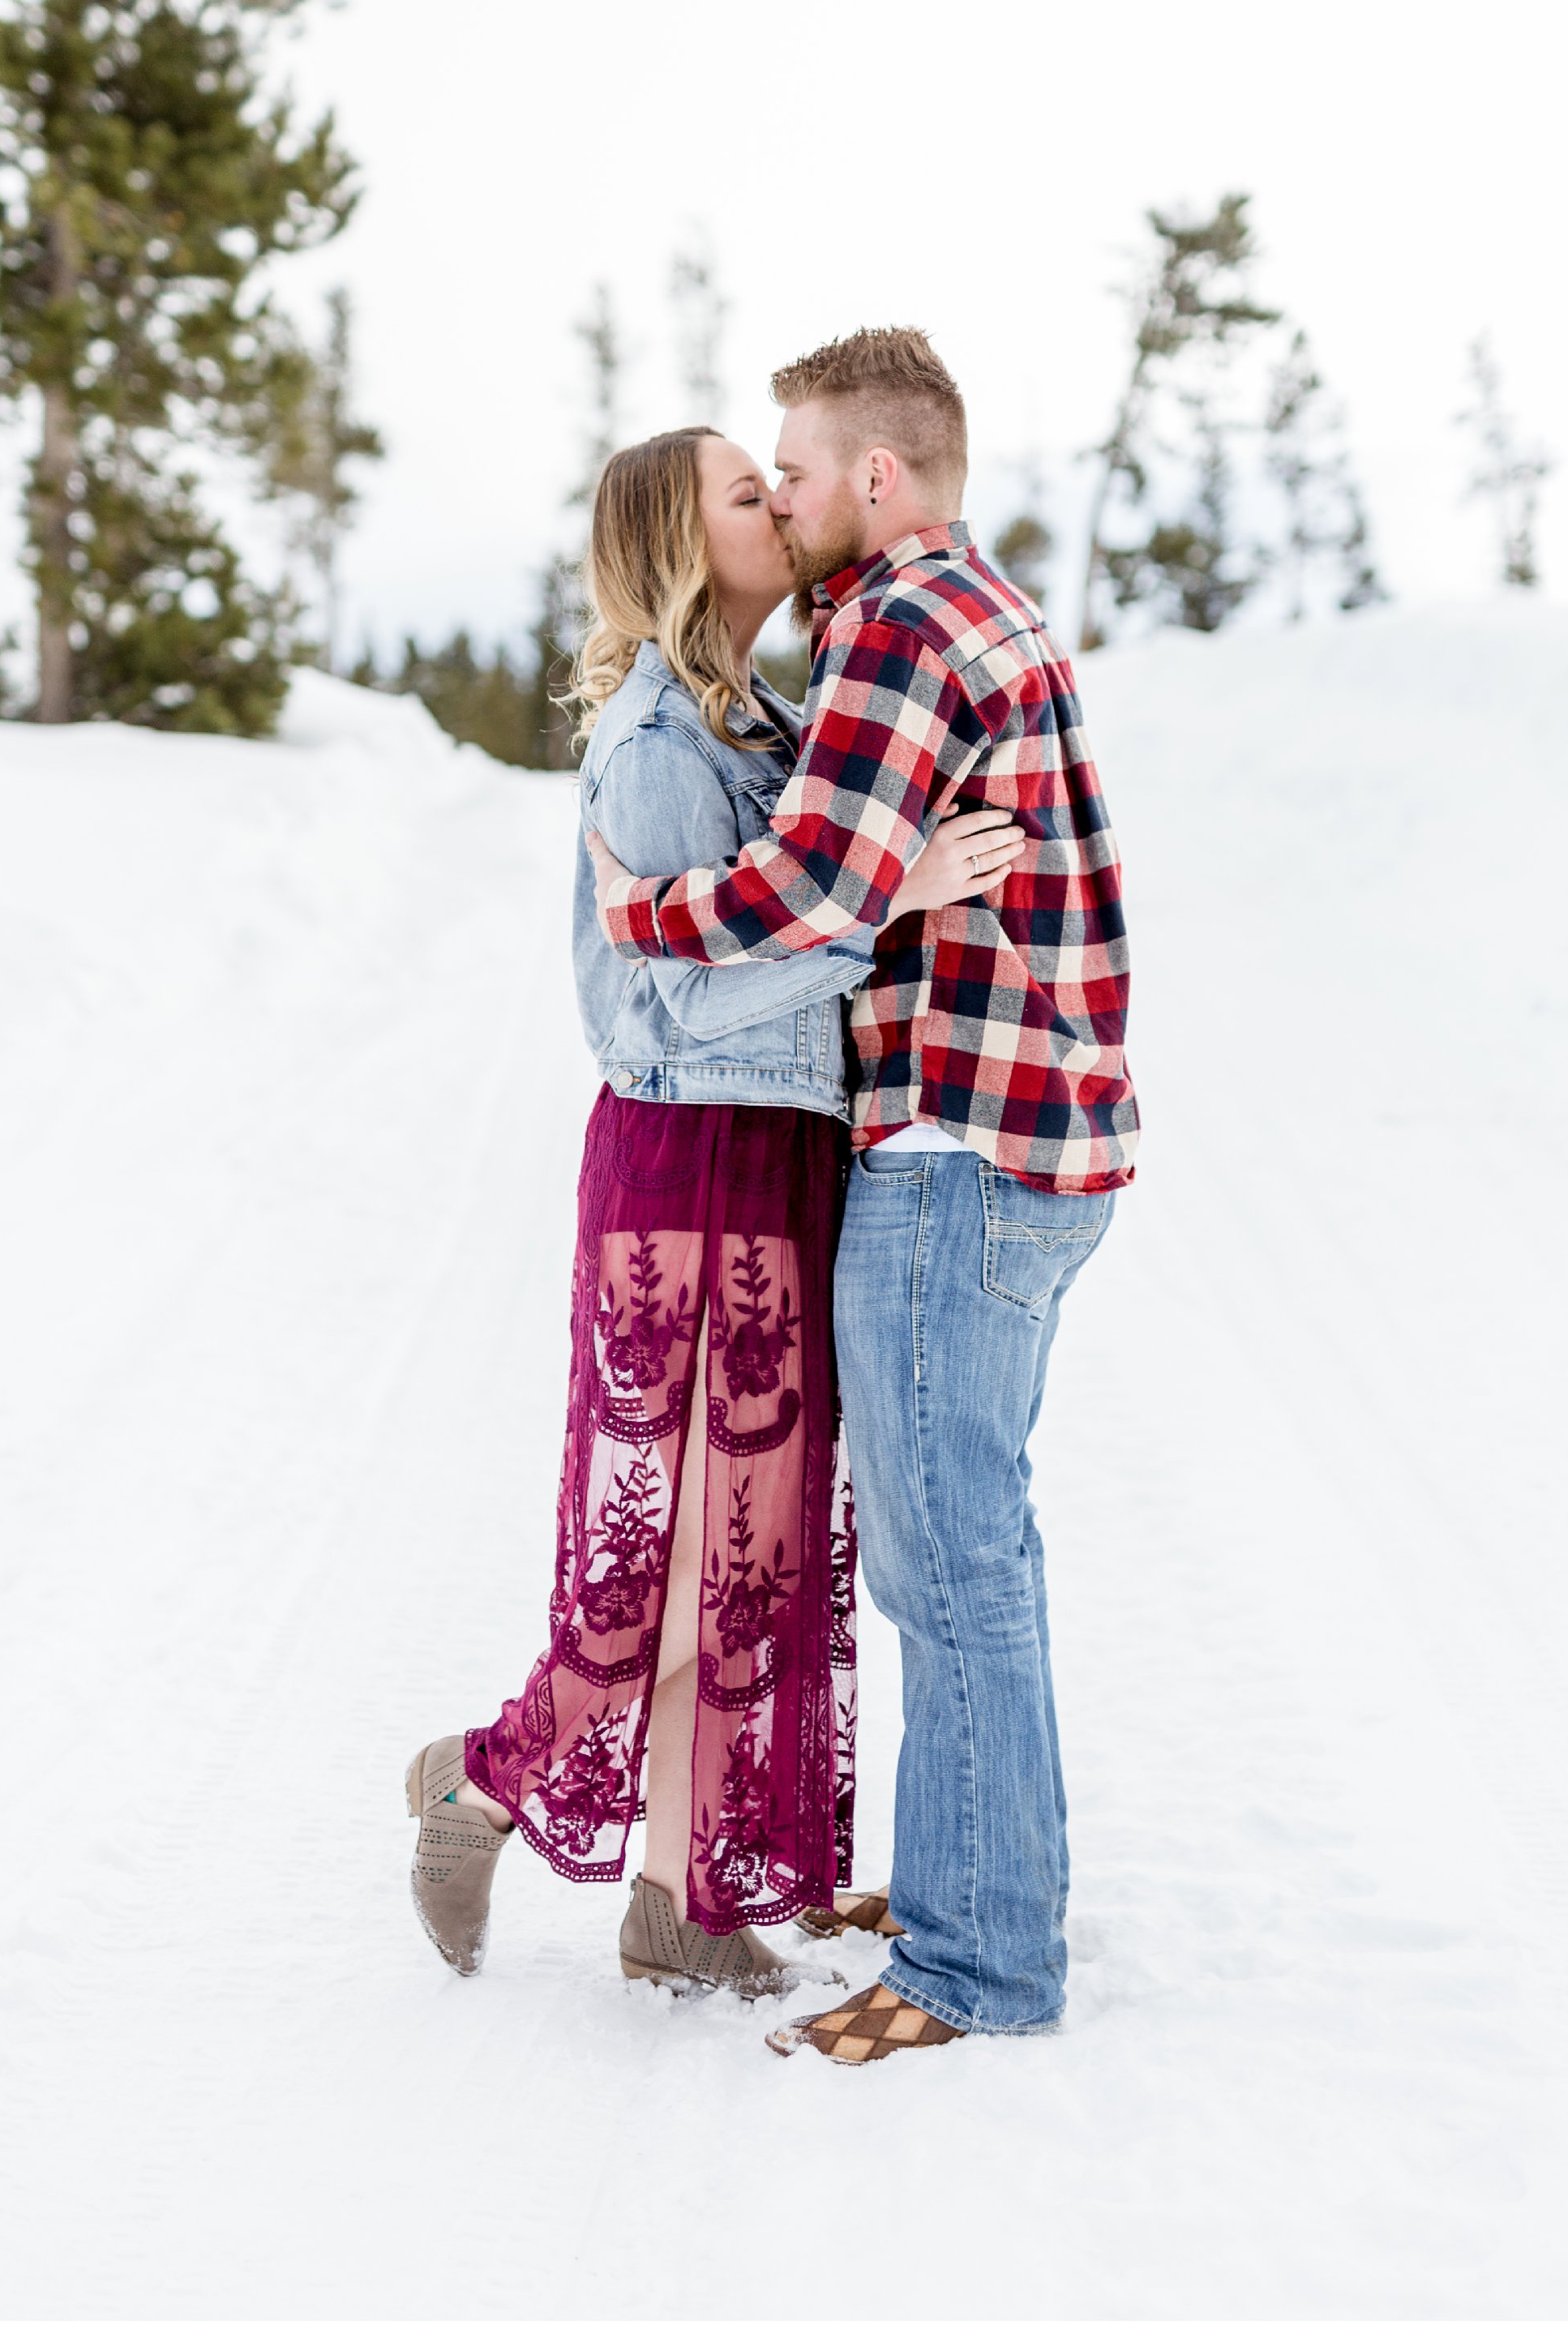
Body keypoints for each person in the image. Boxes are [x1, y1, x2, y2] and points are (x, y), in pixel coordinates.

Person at [404, 424, 1018, 1998]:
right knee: (668, 1568)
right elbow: (678, 1004)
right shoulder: (661, 750)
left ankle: (683, 1897)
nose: (784, 504)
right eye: (751, 494)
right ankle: (480, 1779)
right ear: (689, 547)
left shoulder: (767, 722)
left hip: (786, 1156)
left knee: (749, 1556)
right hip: (689, 1164)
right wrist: (894, 901)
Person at [586, 328, 1138, 2063]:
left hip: (959, 1147)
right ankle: (982, 1875)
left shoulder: (899, 619)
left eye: (798, 469)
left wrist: (644, 914)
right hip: (1034, 1142)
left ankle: (980, 1959)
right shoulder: (985, 605)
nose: (788, 494)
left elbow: (815, 879)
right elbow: (872, 880)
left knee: (949, 1559)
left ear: (876, 480)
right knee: (970, 1544)